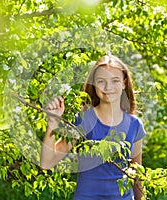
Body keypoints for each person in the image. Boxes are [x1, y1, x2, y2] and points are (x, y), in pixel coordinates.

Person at [40, 55, 146, 200]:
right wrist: (52, 124)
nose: (108, 87)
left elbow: (137, 174)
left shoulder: (134, 125)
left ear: (124, 82)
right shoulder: (83, 120)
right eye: (101, 81)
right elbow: (47, 162)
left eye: (115, 80)